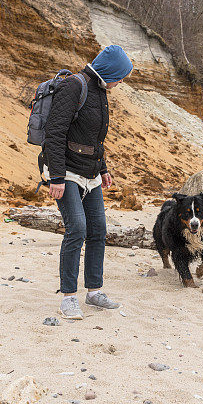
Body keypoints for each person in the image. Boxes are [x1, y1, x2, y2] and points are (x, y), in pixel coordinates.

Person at [41, 45, 133, 320]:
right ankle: (69, 297)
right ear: (110, 72)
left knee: (98, 230)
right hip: (66, 172)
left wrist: (102, 169)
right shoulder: (74, 86)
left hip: (90, 173)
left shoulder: (101, 92)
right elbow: (54, 133)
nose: (120, 82)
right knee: (77, 229)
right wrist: (55, 177)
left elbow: (95, 139)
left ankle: (94, 293)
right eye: (121, 77)